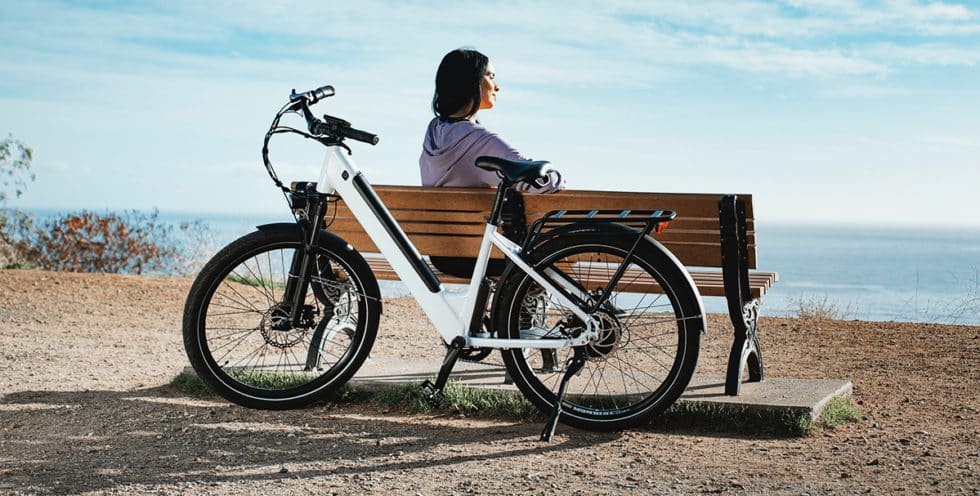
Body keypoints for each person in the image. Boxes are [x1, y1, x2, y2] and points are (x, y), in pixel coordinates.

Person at [420, 48, 565, 278]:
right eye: (491, 76)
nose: (497, 86)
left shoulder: (433, 132)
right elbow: (539, 183)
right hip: (487, 255)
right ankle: (528, 307)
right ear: (470, 82)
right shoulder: (480, 140)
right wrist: (557, 176)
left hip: (443, 255)